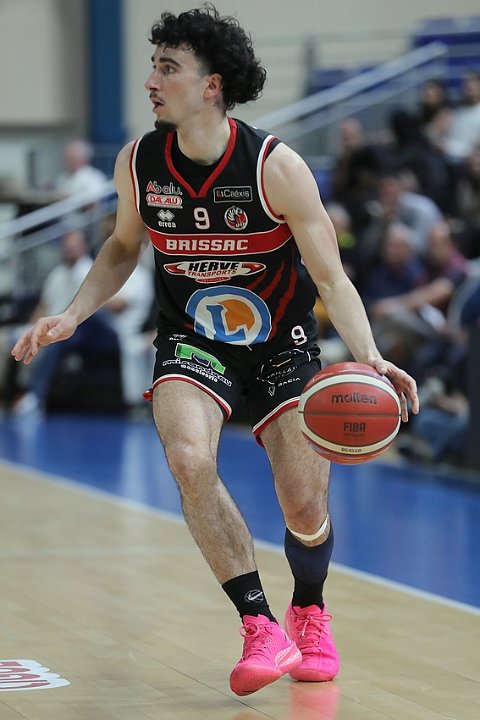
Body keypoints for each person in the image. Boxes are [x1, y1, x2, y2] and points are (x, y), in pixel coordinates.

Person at [11, 5, 419, 696]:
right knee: (188, 458)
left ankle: (310, 609)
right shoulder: (140, 162)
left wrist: (371, 355)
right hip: (193, 339)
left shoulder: (275, 167)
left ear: (211, 85)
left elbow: (331, 277)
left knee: (302, 506)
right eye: (153, 66)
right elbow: (123, 246)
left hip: (283, 343)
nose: (151, 80)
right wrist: (74, 313)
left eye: (168, 68)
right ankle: (260, 624)